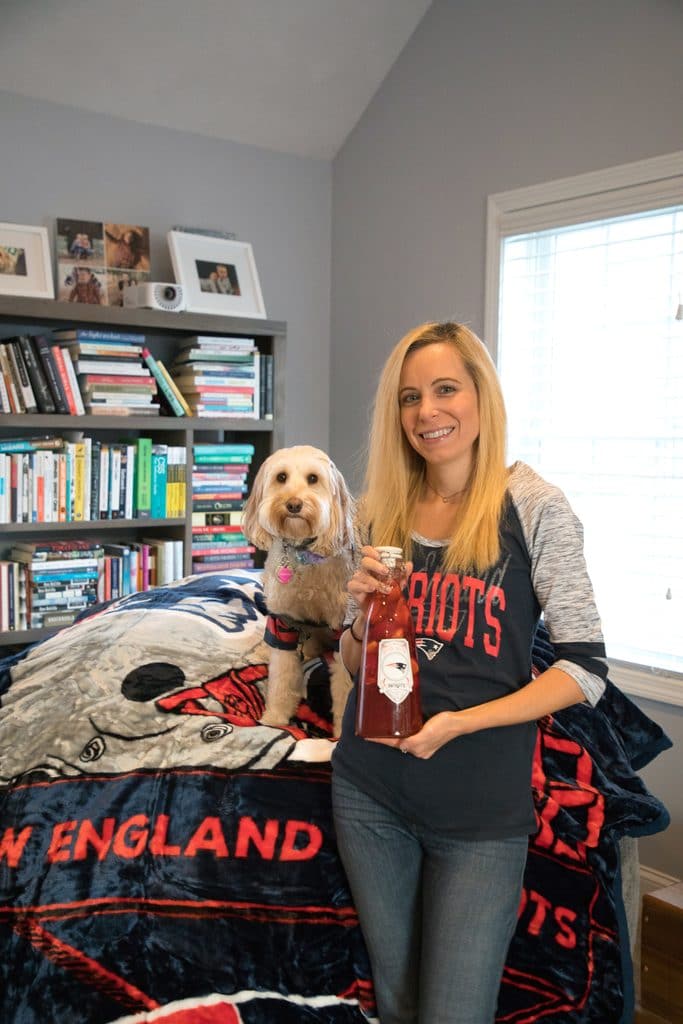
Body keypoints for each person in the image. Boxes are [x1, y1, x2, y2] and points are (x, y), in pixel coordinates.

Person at [331, 320, 608, 1024]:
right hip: (368, 791)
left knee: (454, 1012)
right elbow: (359, 663)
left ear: (481, 398)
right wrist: (358, 615)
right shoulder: (379, 512)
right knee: (393, 1002)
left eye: (445, 389)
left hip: (479, 809)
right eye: (408, 397)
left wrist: (459, 723)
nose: (427, 412)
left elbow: (583, 670)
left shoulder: (534, 507)